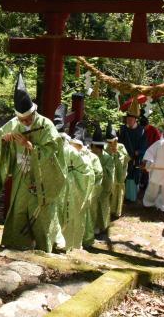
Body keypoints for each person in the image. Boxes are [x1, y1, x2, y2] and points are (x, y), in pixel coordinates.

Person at [0, 73, 65, 252]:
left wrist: (31, 147)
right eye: (21, 120)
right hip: (21, 175)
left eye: (28, 118)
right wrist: (5, 140)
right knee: (19, 209)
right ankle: (17, 245)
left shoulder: (46, 125)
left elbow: (53, 151)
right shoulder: (14, 124)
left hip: (41, 177)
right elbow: (0, 139)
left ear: (34, 112)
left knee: (40, 214)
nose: (25, 122)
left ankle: (45, 247)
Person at [54, 105, 93, 251]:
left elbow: (86, 170)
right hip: (55, 182)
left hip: (67, 184)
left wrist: (76, 181)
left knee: (66, 213)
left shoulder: (71, 150)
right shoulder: (53, 146)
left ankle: (65, 243)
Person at [118, 103, 147, 202]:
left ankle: (132, 197)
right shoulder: (123, 129)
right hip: (125, 156)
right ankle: (123, 196)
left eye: (131, 119)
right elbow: (120, 142)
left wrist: (139, 152)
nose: (129, 121)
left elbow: (144, 145)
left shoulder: (141, 131)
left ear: (135, 120)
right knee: (124, 175)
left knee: (133, 176)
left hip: (135, 158)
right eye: (127, 119)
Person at [91, 124, 115, 234]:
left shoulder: (107, 158)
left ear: (97, 147)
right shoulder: (91, 156)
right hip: (93, 187)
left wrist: (99, 171)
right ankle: (93, 226)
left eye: (93, 147)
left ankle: (103, 226)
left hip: (104, 186)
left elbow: (110, 172)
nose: (92, 149)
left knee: (103, 206)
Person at [105, 122, 129, 218]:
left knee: (118, 191)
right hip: (110, 174)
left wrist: (117, 154)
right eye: (109, 142)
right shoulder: (105, 147)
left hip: (119, 174)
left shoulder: (121, 147)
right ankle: (109, 210)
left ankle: (117, 211)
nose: (111, 144)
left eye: (113, 142)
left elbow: (126, 159)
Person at [82, 134, 103, 247]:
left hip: (91, 189)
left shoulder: (93, 158)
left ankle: (87, 238)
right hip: (78, 188)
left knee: (89, 213)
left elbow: (98, 174)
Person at [139, 113, 160, 191]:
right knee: (143, 168)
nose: (144, 128)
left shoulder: (154, 130)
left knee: (148, 169)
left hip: (152, 152)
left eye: (145, 126)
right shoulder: (141, 130)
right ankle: (143, 183)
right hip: (143, 151)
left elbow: (158, 142)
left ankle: (147, 184)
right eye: (143, 127)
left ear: (148, 124)